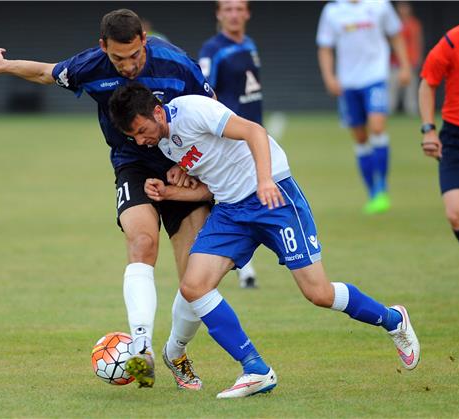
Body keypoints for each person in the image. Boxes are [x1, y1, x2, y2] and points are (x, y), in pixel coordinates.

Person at [108, 82, 420, 398]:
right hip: (231, 211)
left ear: (157, 111)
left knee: (318, 293)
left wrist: (265, 180)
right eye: (133, 137)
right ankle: (255, 369)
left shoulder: (193, 110)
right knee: (193, 285)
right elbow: (212, 186)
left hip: (273, 200)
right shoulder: (166, 145)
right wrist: (171, 193)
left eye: (141, 129)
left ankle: (394, 319)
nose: (140, 140)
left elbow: (254, 132)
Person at [0, 9, 215, 389]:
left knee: (195, 280)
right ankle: (141, 346)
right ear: (104, 48)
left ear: (144, 42)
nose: (129, 65)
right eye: (119, 58)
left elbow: (214, 116)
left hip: (182, 168)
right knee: (142, 242)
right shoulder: (92, 65)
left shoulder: (178, 65)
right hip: (133, 164)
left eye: (135, 55)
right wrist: (1, 66)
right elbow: (45, 72)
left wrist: (192, 164)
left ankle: (175, 351)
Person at [316, 0, 412, 214]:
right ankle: (372, 192)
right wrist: (329, 77)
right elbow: (325, 47)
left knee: (377, 127)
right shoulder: (332, 11)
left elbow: (395, 34)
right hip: (348, 82)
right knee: (360, 137)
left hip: (375, 76)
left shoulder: (380, 5)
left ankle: (382, 186)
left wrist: (405, 66)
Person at [198, 0, 261, 288]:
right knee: (231, 198)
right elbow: (204, 92)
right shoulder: (212, 50)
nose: (234, 14)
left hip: (253, 134)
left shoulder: (249, 43)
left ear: (247, 13)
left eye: (239, 9)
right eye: (228, 9)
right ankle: (240, 266)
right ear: (219, 14)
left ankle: (241, 263)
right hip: (230, 137)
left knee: (250, 196)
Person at [418, 25, 459, 245]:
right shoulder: (454, 40)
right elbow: (428, 83)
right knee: (455, 212)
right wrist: (429, 130)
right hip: (455, 138)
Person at [389, 1, 424, 115]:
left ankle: (412, 113)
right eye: (401, 7)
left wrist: (417, 59)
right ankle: (388, 113)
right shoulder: (393, 23)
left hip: (410, 62)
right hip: (394, 63)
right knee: (391, 91)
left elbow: (417, 42)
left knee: (411, 92)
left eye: (405, 7)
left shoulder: (414, 24)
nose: (403, 10)